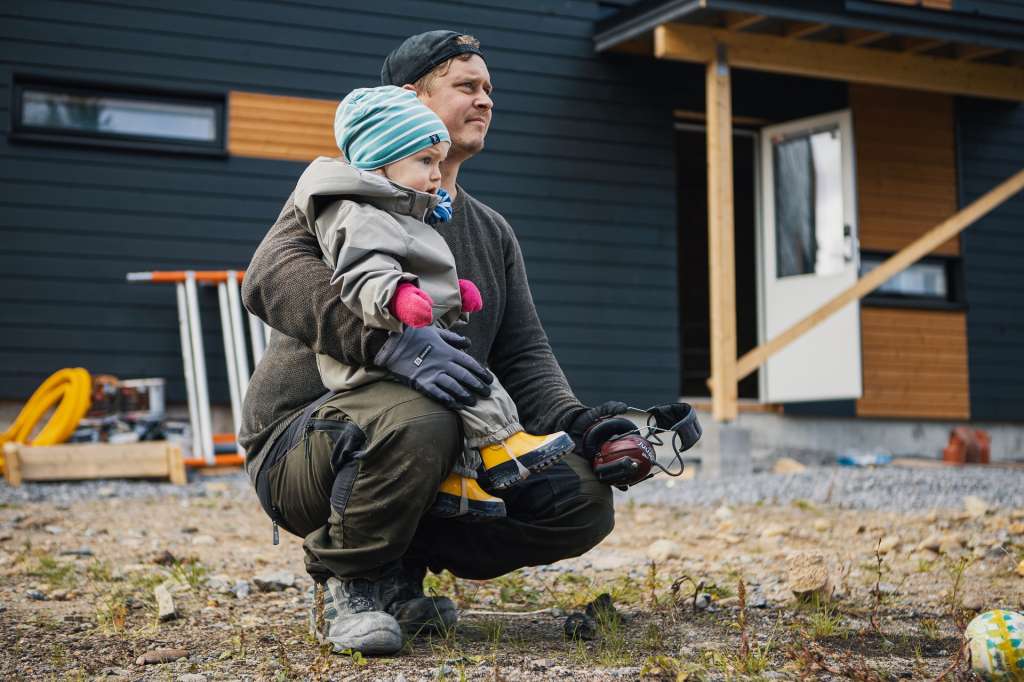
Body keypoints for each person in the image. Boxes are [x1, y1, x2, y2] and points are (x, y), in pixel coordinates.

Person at [240, 31, 629, 656]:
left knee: (578, 496)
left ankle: (399, 566)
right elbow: (268, 278)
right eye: (466, 86)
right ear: (408, 99)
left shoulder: (491, 231)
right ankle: (355, 580)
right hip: (304, 446)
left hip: (434, 440)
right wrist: (386, 343)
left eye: (490, 91)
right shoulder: (342, 192)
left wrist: (592, 428)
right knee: (421, 416)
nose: (486, 101)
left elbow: (524, 356)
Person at [300, 85, 576, 520]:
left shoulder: (414, 212)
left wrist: (455, 295)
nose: (436, 173)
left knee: (459, 382)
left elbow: (434, 275)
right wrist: (399, 296)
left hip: (415, 339)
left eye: (438, 161)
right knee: (457, 394)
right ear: (382, 161)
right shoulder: (358, 213)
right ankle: (504, 442)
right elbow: (364, 271)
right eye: (425, 162)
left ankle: (459, 479)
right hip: (378, 357)